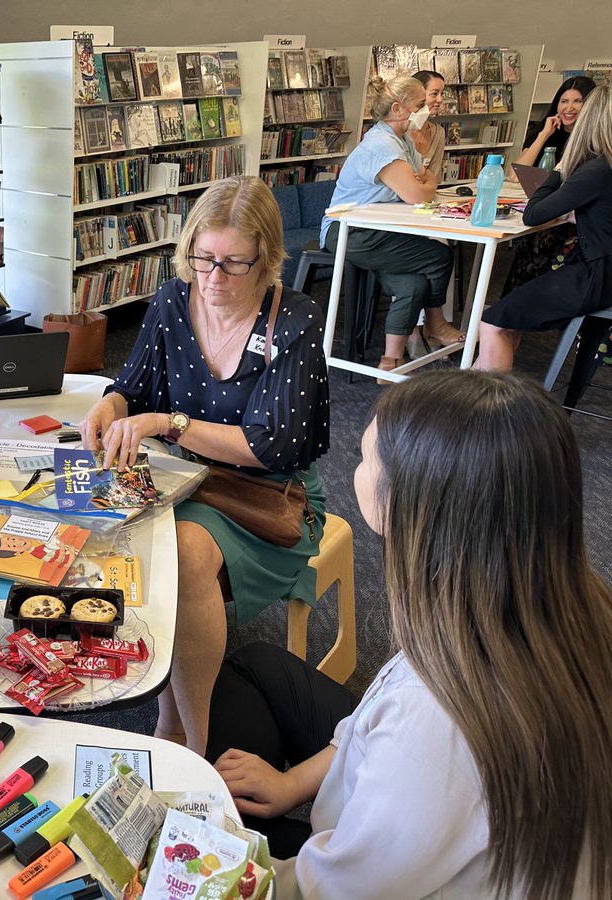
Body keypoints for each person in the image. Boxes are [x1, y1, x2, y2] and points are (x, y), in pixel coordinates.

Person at [205, 370, 611, 898]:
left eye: (365, 459)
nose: (355, 467)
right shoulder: (553, 604)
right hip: (442, 826)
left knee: (202, 825)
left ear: (412, 502)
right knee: (257, 665)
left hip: (373, 873)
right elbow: (371, 720)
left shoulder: (433, 728)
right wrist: (290, 784)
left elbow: (334, 891)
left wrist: (206, 858)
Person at [78, 176, 330, 755]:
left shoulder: (295, 319)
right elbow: (132, 386)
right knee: (100, 525)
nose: (214, 277)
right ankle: (172, 711)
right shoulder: (173, 299)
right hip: (183, 476)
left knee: (184, 551)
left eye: (234, 263)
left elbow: (271, 447)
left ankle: (188, 735)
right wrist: (109, 405)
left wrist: (171, 424)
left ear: (267, 258)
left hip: (269, 495)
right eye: (203, 257)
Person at [320, 75, 463, 376]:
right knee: (438, 256)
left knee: (415, 284)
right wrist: (425, 183)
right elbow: (418, 194)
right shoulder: (382, 145)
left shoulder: (401, 140)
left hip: (377, 230)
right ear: (398, 109)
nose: (426, 110)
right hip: (350, 232)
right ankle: (436, 324)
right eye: (420, 104)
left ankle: (390, 361)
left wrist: (425, 182)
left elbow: (426, 179)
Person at [478, 85, 612, 371]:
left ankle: (489, 397)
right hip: (603, 268)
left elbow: (533, 214)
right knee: (507, 317)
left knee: (492, 322)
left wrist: (560, 169)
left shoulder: (595, 170)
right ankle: (468, 387)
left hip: (596, 276)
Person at [505, 76, 597, 294]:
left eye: (577, 101)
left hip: (570, 215)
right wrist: (544, 135)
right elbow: (515, 175)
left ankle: (530, 297)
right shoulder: (548, 132)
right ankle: (518, 298)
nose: (569, 108)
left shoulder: (593, 140)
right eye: (564, 101)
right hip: (545, 207)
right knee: (531, 237)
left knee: (542, 238)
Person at [409, 69, 446, 181]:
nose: (440, 99)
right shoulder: (399, 131)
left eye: (442, 93)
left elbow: (434, 178)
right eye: (434, 94)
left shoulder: (438, 132)